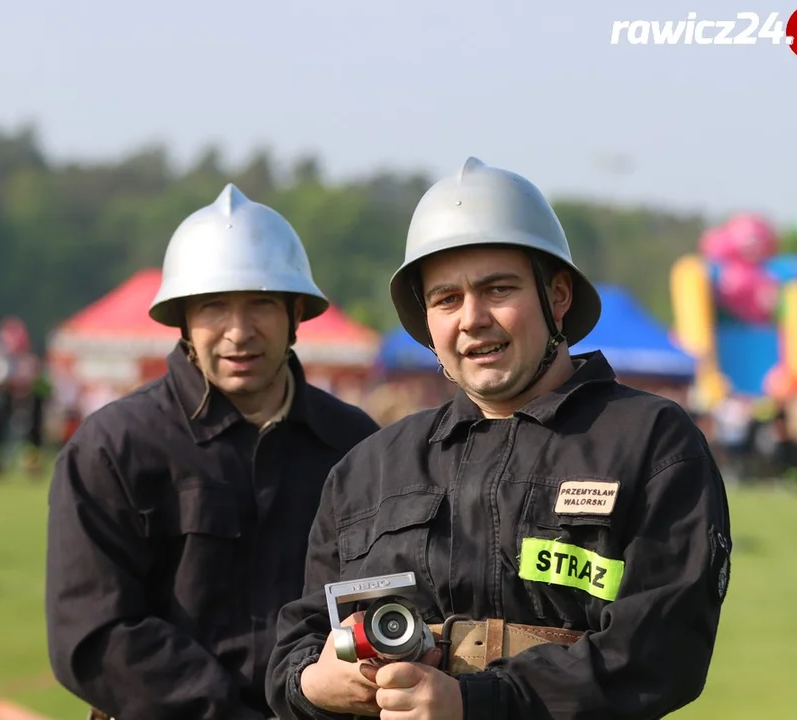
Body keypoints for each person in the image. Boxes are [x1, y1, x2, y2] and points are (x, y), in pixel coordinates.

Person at [267, 157, 732, 720]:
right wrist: (311, 684)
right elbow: (298, 642)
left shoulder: (649, 443)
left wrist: (475, 703)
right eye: (446, 299)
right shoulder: (370, 468)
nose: (472, 318)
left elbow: (659, 651)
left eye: (498, 289)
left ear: (557, 296)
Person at [45, 183, 381, 720]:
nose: (238, 332)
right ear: (182, 319)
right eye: (214, 307)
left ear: (297, 313)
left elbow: (378, 604)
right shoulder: (112, 449)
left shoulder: (358, 445)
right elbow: (95, 633)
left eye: (262, 304)